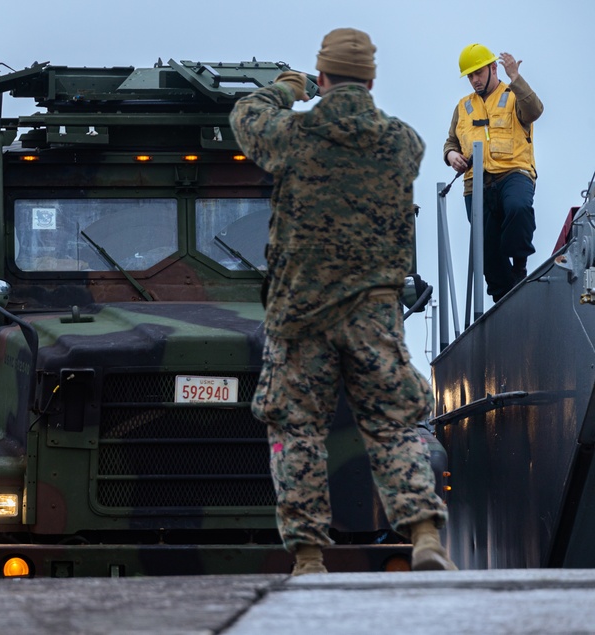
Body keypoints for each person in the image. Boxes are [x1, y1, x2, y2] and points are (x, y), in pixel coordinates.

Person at [229, 28, 456, 575]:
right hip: (374, 314)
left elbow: (245, 118)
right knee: (394, 425)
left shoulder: (293, 136)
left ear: (322, 77)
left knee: (297, 430)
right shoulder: (404, 142)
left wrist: (286, 87)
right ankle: (424, 533)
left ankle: (308, 557)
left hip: (301, 315)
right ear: (373, 80)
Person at [443, 44, 543, 302]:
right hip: (475, 184)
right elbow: (451, 142)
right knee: (488, 251)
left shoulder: (513, 95)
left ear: (493, 68)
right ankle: (505, 301)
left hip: (512, 173)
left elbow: (535, 111)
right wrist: (451, 156)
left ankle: (520, 267)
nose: (474, 80)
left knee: (518, 208)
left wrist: (516, 79)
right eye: (470, 75)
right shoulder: (463, 106)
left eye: (479, 73)